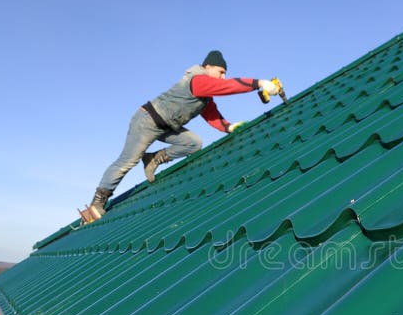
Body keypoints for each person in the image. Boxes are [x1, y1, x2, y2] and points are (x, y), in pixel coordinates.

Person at [82, 50, 280, 223]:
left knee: (194, 143)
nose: (222, 77)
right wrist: (259, 83)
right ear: (208, 67)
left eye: (224, 74)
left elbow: (212, 116)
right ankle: (97, 203)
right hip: (146, 121)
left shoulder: (205, 96)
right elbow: (226, 87)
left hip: (167, 126)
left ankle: (153, 159)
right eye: (220, 72)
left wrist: (229, 127)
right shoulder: (198, 80)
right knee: (127, 161)